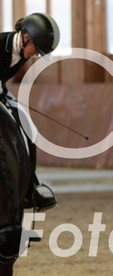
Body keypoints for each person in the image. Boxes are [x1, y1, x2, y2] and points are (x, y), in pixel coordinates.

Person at [0, 12, 60, 211]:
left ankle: (31, 188)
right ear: (26, 37)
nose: (36, 55)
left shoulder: (22, 51)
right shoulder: (2, 43)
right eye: (37, 49)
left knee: (28, 125)